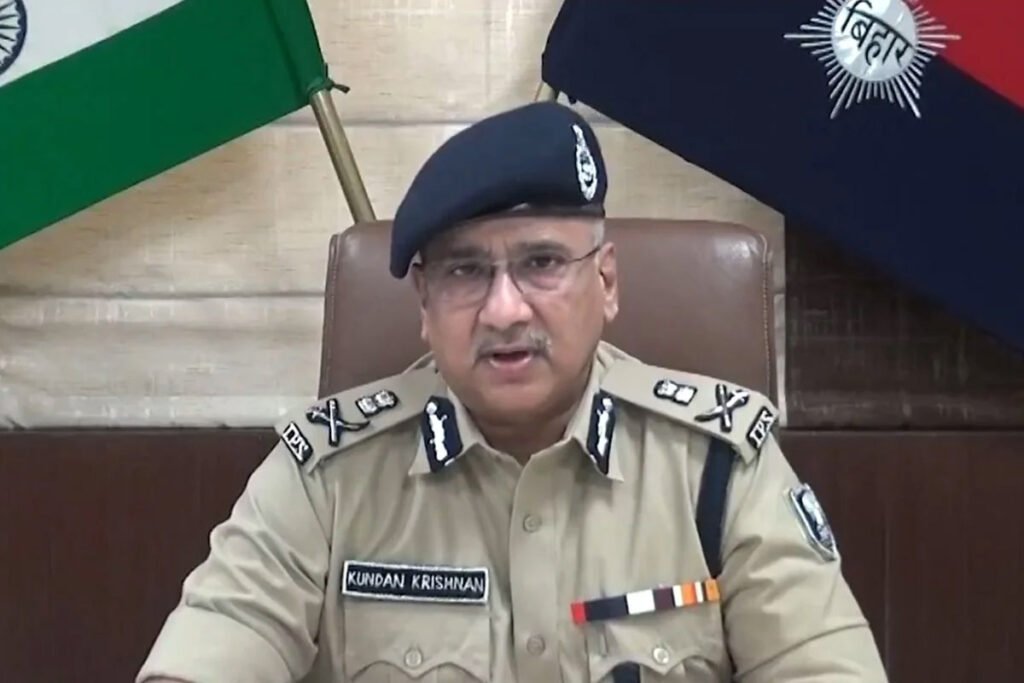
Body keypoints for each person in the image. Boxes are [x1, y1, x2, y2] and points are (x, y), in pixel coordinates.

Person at [137, 102, 887, 683]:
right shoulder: (326, 474)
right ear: (423, 304)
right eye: (465, 271)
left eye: (542, 263)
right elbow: (213, 646)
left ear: (607, 282)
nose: (503, 310)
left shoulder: (719, 465)